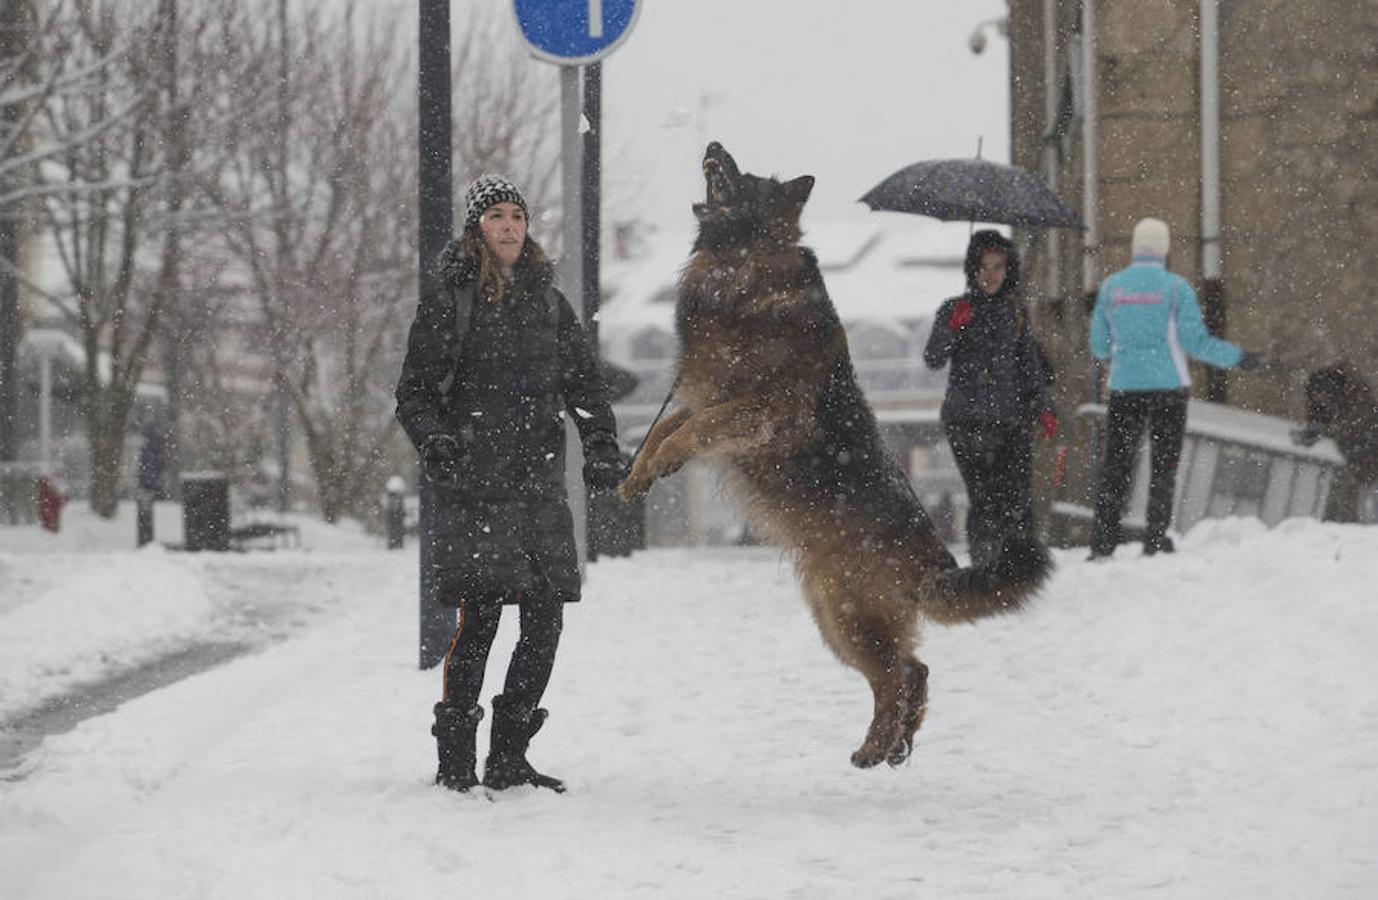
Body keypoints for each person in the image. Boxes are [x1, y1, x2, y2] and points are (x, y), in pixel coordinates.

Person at [395, 174, 626, 794]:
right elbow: (413, 395)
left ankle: (508, 754)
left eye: (517, 215)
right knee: (481, 619)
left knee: (546, 621)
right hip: (475, 486)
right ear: (477, 229)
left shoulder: (549, 304)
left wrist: (601, 447)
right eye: (496, 215)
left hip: (538, 488)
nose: (510, 226)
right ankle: (455, 759)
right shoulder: (451, 300)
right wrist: (439, 442)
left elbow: (586, 387)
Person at [1087, 217, 1262, 559]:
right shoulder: (1176, 288)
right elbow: (1195, 343)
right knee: (1163, 466)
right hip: (1169, 386)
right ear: (1164, 250)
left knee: (1117, 466)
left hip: (1124, 387)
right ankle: (1154, 539)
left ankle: (1103, 542)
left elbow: (1099, 347)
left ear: (1135, 248)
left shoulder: (1110, 288)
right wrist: (1238, 358)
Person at [924, 229, 1058, 568]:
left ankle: (1017, 569)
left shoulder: (1015, 312)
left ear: (1008, 269)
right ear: (972, 269)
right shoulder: (955, 309)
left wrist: (1043, 408)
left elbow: (1029, 367)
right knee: (984, 500)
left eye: (998, 266)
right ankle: (985, 571)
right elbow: (934, 358)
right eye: (984, 267)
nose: (990, 275)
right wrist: (953, 327)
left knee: (1017, 500)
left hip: (1010, 420)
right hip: (966, 422)